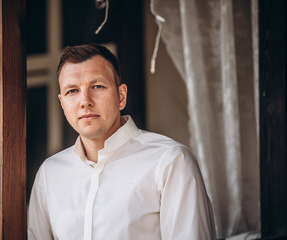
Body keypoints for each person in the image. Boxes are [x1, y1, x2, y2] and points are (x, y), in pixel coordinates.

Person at [28, 44, 216, 240]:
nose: (85, 100)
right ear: (62, 103)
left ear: (121, 96)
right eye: (72, 91)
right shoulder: (49, 174)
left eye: (97, 86)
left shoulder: (171, 162)